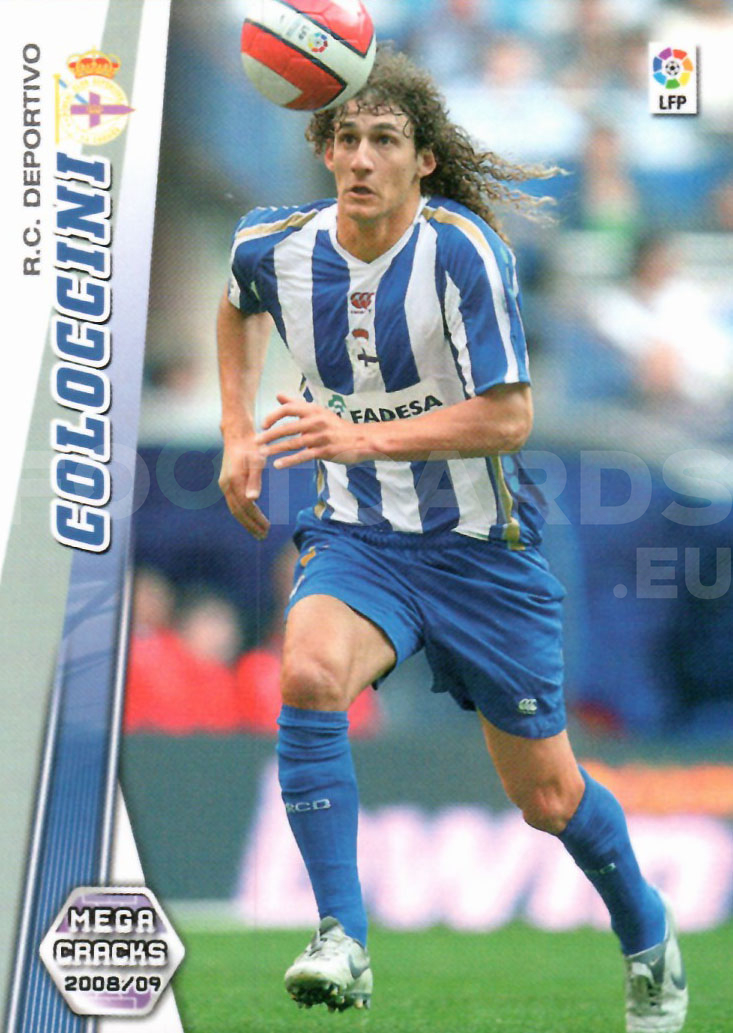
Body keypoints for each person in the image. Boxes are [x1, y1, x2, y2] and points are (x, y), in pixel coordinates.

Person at [217, 47, 687, 1033]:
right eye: (347, 137)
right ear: (324, 147)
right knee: (307, 672)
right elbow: (236, 300)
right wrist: (234, 432)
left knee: (547, 796)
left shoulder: (464, 253)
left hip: (482, 555)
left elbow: (509, 417)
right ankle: (341, 937)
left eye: (385, 140)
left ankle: (646, 930)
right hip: (359, 536)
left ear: (423, 159)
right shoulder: (274, 244)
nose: (362, 158)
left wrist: (360, 436)